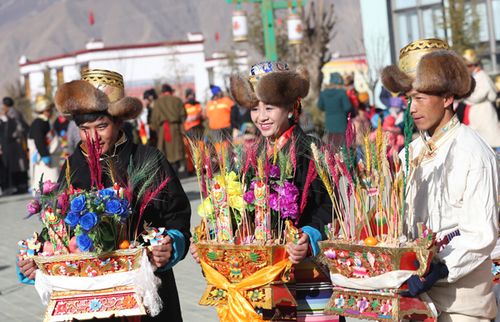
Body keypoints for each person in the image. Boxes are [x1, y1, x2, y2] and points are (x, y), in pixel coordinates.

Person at [17, 69, 191, 322]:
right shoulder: (71, 167)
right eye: (85, 129)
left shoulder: (149, 159)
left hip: (147, 288)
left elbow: (177, 217)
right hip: (89, 297)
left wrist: (170, 245)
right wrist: (37, 262)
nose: (94, 138)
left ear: (119, 122)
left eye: (102, 126)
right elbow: (58, 231)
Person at [191, 61, 334, 320]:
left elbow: (329, 206)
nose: (261, 117)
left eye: (270, 108)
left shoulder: (311, 150)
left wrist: (309, 237)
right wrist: (214, 237)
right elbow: (239, 211)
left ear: (291, 107)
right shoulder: (250, 154)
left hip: (305, 275)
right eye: (255, 109)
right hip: (259, 280)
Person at [381, 38, 498, 321]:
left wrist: (441, 268)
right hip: (417, 299)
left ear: (447, 98)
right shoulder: (413, 151)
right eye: (409, 99)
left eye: (420, 98)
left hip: (462, 303)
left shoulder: (473, 152)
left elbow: (480, 234)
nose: (412, 109)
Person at [462, 48, 500, 148]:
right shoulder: (476, 76)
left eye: (467, 66)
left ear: (471, 65)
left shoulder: (481, 76)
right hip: (478, 112)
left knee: (488, 141)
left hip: (483, 112)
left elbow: (477, 96)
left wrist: (464, 96)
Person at [150, 84, 186, 175]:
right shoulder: (177, 100)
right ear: (171, 91)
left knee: (166, 151)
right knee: (177, 150)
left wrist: (156, 129)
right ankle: (178, 168)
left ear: (162, 92)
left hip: (163, 129)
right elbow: (183, 115)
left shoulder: (157, 102)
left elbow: (154, 119)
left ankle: (171, 171)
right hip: (175, 128)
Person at [28, 95, 61, 191]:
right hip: (42, 159)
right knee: (47, 184)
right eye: (49, 110)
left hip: (49, 157)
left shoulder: (44, 121)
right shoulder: (39, 123)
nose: (51, 112)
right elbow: (39, 140)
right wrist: (44, 155)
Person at [1, 97, 29, 194]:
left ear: (5, 105)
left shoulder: (13, 113)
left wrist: (11, 136)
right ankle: (19, 185)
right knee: (16, 164)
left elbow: (19, 128)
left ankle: (21, 186)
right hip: (14, 143)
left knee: (18, 164)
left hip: (16, 143)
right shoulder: (11, 112)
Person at [317, 72, 353, 146]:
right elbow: (348, 107)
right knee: (343, 149)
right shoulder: (342, 93)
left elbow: (320, 106)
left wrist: (328, 109)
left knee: (332, 147)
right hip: (341, 124)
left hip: (329, 125)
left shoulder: (323, 93)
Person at [183, 88, 203, 175]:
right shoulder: (184, 106)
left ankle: (202, 167)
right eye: (190, 96)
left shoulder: (198, 104)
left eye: (193, 96)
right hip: (188, 130)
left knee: (200, 149)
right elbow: (183, 118)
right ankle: (190, 169)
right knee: (189, 151)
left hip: (198, 129)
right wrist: (189, 118)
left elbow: (202, 114)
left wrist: (196, 116)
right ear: (187, 97)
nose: (192, 97)